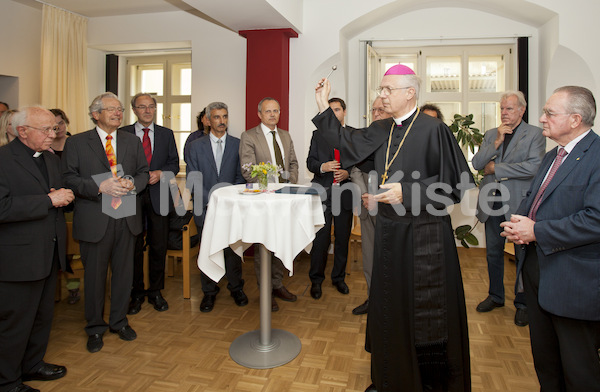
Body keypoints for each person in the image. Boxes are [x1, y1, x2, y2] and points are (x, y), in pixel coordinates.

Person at [313, 64, 473, 392]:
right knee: (390, 306)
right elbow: (345, 143)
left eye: (388, 90)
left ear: (409, 93)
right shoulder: (383, 128)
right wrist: (322, 107)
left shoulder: (433, 130)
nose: (381, 95)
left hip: (425, 238)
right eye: (381, 89)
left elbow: (456, 186)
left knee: (423, 314)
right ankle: (389, 377)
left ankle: (427, 384)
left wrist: (409, 192)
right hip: (390, 233)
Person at [501, 86, 600, 391]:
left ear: (575, 119)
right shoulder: (554, 155)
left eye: (549, 113)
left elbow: (595, 218)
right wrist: (519, 221)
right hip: (539, 272)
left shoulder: (596, 157)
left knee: (579, 369)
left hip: (573, 281)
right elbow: (535, 198)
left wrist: (536, 231)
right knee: (547, 363)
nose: (541, 119)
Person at [62, 92, 149, 354]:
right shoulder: (76, 143)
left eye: (120, 109)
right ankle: (95, 327)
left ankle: (119, 321)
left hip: (126, 216)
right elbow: (69, 178)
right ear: (95, 114)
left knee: (124, 274)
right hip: (95, 219)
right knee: (96, 277)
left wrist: (133, 182)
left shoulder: (132, 142)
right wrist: (99, 186)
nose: (117, 113)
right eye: (111, 109)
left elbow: (144, 172)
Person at [0, 106, 73, 392]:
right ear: (22, 132)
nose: (52, 134)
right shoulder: (4, 160)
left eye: (54, 128)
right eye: (46, 130)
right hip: (18, 258)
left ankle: (32, 365)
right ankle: (7, 381)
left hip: (48, 252)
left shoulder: (51, 159)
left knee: (42, 318)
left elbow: (59, 194)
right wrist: (48, 200)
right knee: (14, 324)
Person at [472, 91, 545, 327]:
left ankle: (522, 302)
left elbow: (533, 167)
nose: (504, 113)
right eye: (502, 108)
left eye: (510, 109)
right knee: (493, 252)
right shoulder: (492, 134)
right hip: (491, 201)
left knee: (521, 253)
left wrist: (497, 169)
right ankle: (495, 296)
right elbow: (477, 164)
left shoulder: (534, 134)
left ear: (522, 110)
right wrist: (495, 143)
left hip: (518, 203)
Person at [120, 93, 179, 315]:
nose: (147, 111)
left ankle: (155, 291)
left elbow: (174, 164)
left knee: (158, 246)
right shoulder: (122, 133)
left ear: (155, 109)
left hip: (158, 194)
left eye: (151, 107)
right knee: (132, 247)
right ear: (134, 110)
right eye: (142, 107)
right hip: (130, 195)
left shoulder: (166, 134)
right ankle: (136, 292)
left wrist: (160, 172)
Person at [186, 101, 247, 312]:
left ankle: (236, 287)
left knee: (232, 250)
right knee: (209, 249)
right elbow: (193, 179)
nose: (221, 121)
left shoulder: (237, 144)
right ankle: (209, 292)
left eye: (224, 116)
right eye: (217, 117)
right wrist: (212, 202)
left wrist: (229, 200)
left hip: (232, 208)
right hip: (206, 208)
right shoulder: (195, 146)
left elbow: (240, 177)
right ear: (208, 120)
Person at [239, 97, 299, 312]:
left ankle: (277, 285)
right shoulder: (249, 136)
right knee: (264, 245)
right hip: (262, 200)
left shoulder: (285, 135)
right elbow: (247, 169)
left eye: (276, 111)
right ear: (259, 114)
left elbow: (293, 164)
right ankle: (265, 291)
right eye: (268, 111)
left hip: (284, 198)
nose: (273, 115)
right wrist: (270, 183)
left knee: (279, 243)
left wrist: (289, 180)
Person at [307, 97, 353, 300]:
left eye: (337, 109)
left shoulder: (352, 135)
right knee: (321, 240)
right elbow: (310, 162)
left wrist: (347, 173)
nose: (334, 113)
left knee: (342, 239)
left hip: (345, 194)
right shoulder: (318, 135)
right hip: (322, 193)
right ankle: (316, 281)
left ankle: (338, 278)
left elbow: (359, 162)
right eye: (330, 110)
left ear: (344, 112)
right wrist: (322, 167)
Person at [349, 96, 391, 315]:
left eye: (381, 110)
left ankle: (392, 305)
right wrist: (364, 193)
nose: (376, 114)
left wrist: (377, 195)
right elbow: (354, 167)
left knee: (390, 259)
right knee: (369, 258)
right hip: (367, 207)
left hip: (390, 209)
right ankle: (372, 299)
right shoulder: (365, 137)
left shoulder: (396, 138)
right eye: (373, 110)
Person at [48, 108, 81, 305]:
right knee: (59, 249)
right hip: (53, 204)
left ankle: (73, 286)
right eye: (54, 124)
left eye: (60, 123)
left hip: (75, 203)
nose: (58, 127)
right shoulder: (43, 148)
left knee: (74, 247)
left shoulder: (76, 144)